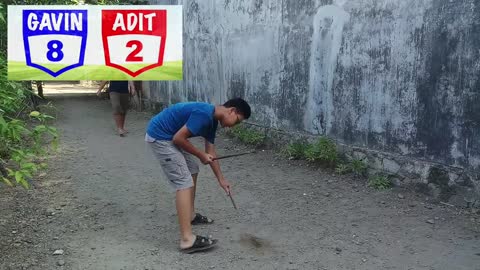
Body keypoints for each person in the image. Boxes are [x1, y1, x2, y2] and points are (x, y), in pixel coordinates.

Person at [145, 98, 251, 254]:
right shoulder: (204, 114)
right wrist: (201, 154)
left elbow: (211, 153)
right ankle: (187, 240)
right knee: (184, 182)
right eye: (236, 121)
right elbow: (178, 138)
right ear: (232, 110)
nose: (233, 126)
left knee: (193, 168)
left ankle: (190, 215)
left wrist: (221, 180)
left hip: (170, 136)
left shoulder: (212, 121)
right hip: (160, 137)